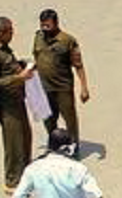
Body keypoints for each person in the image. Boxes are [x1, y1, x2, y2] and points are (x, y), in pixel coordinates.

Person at [0, 16, 34, 193]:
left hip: (17, 100)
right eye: (10, 30)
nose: (13, 33)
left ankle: (25, 173)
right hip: (7, 104)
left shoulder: (3, 49)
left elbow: (6, 67)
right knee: (13, 143)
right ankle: (12, 181)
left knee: (25, 137)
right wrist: (18, 77)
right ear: (1, 33)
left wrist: (20, 65)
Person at [32, 9, 89, 156]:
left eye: (48, 26)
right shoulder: (38, 37)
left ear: (56, 23)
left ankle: (74, 148)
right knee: (48, 119)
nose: (44, 29)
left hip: (62, 88)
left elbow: (78, 65)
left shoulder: (67, 41)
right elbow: (37, 57)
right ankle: (53, 147)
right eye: (42, 25)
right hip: (44, 87)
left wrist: (84, 88)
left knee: (69, 119)